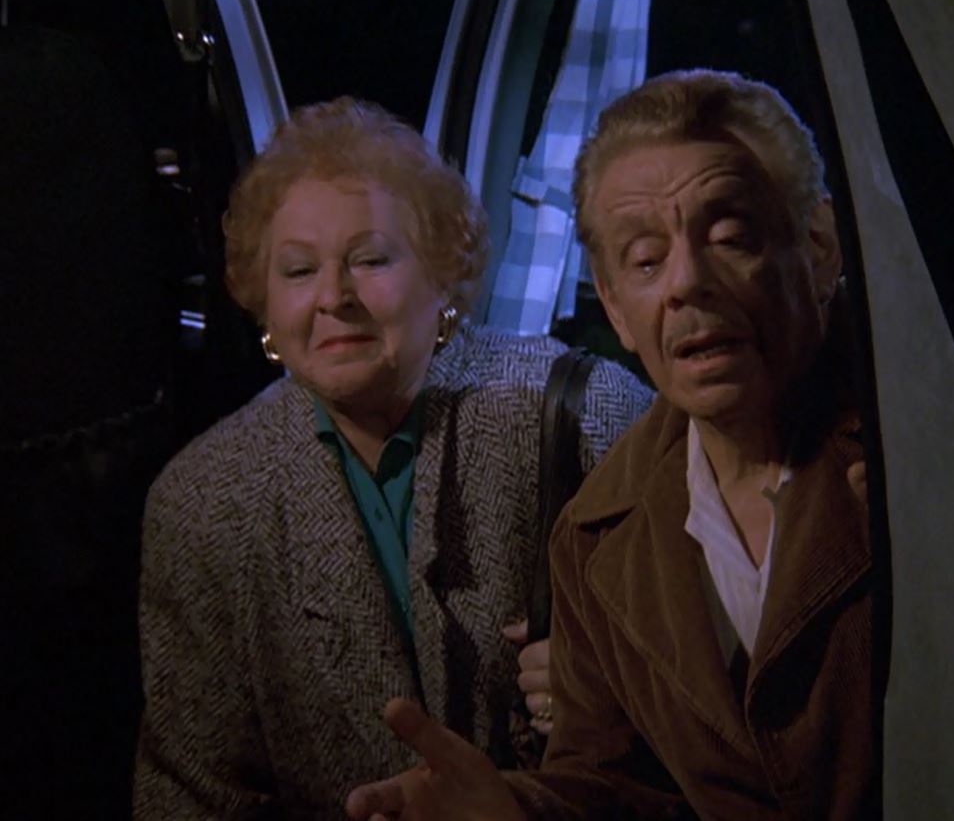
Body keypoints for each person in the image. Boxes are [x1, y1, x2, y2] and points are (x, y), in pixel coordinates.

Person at [345, 69, 880, 820]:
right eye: (646, 260)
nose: (686, 283)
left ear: (819, 246)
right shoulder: (597, 534)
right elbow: (613, 786)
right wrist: (514, 808)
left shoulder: (921, 457)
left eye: (730, 237)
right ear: (616, 306)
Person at [132, 97, 654, 819]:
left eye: (370, 259)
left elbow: (713, 709)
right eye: (298, 270)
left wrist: (619, 689)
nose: (333, 297)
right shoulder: (203, 499)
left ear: (442, 274)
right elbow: (192, 793)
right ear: (263, 307)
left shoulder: (586, 412)